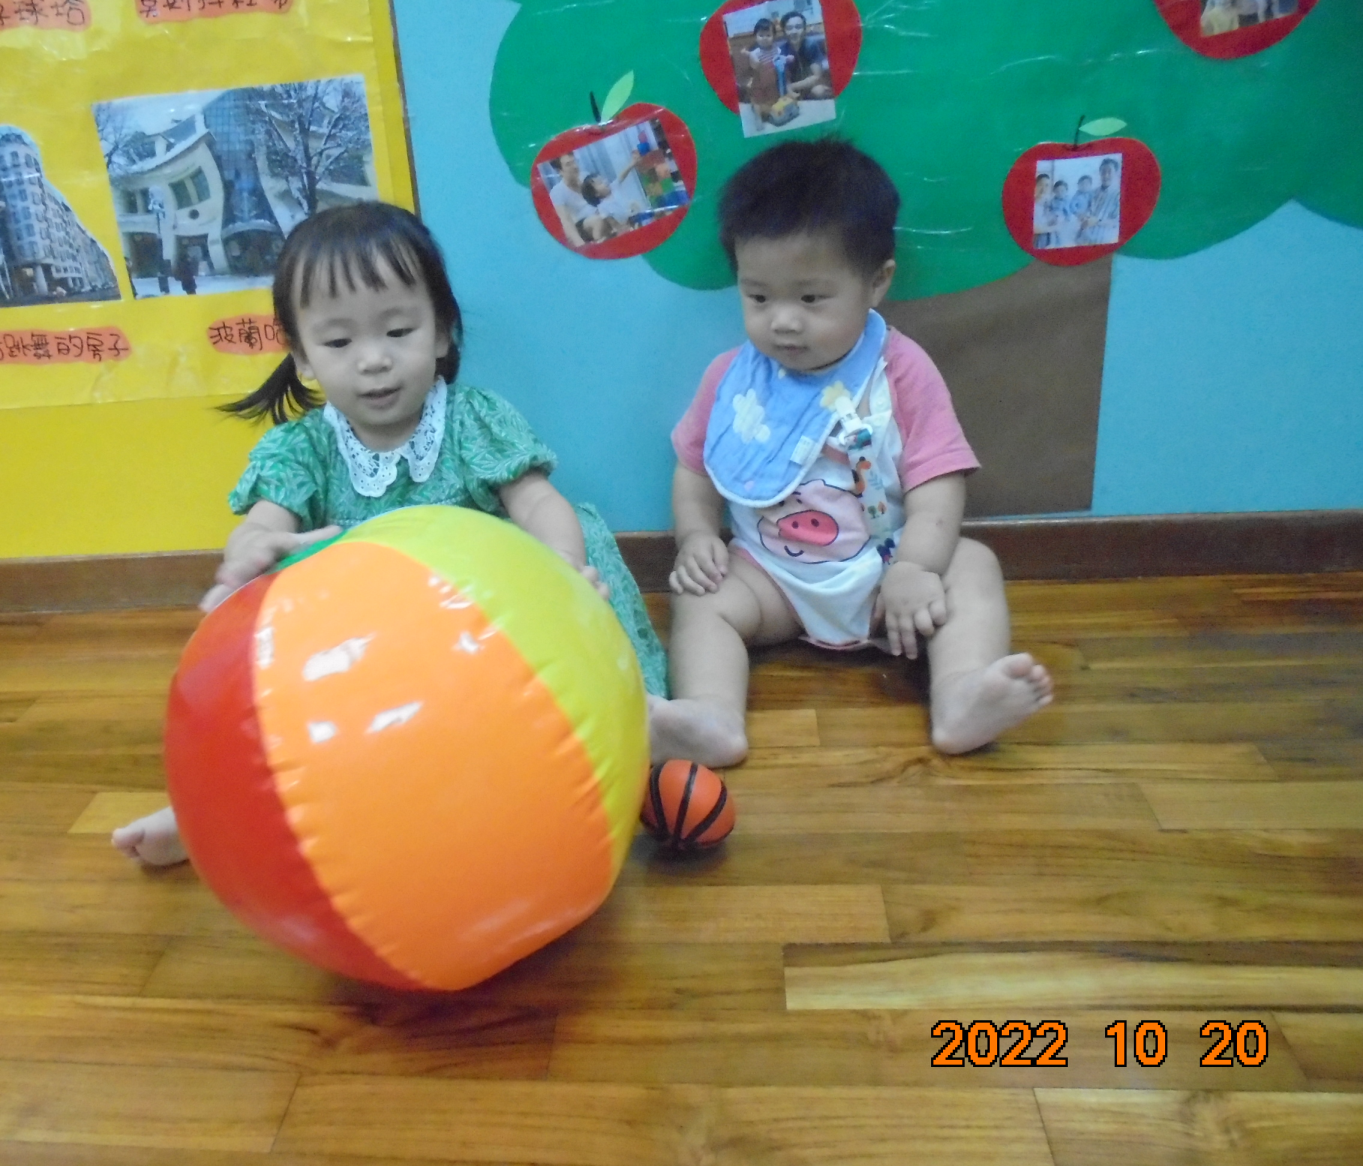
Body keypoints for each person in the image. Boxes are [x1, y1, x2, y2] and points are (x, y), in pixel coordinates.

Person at [114, 201, 669, 865]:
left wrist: (559, 570)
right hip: (369, 657)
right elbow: (264, 523)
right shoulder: (302, 450)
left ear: (441, 333)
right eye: (339, 343)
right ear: (303, 357)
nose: (373, 360)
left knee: (580, 557)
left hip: (488, 636)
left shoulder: (471, 420)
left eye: (398, 330)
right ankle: (214, 811)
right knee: (276, 695)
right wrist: (253, 549)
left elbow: (538, 501)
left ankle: (639, 721)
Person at [649, 139, 1053, 769]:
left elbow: (939, 480)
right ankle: (710, 714)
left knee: (972, 564)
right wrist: (697, 536)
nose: (783, 322)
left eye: (810, 299)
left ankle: (961, 694)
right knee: (699, 596)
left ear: (876, 282)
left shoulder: (901, 372)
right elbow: (695, 468)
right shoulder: (733, 380)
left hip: (886, 578)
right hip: (772, 579)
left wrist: (916, 567)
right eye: (759, 298)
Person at [548, 152, 609, 249]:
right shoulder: (557, 192)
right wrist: (581, 246)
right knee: (597, 220)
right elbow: (565, 221)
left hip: (600, 212)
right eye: (568, 164)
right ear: (559, 171)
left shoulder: (585, 176)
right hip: (582, 224)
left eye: (574, 161)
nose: (575, 166)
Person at [779, 11, 832, 100]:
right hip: (793, 90)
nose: (794, 32)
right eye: (789, 28)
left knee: (818, 91)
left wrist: (792, 86)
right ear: (784, 31)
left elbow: (817, 76)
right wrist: (788, 89)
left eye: (798, 27)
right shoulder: (782, 51)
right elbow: (784, 78)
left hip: (812, 86)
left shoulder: (811, 45)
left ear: (804, 29)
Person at [1075, 158, 1121, 246]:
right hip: (1085, 238)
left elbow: (1117, 221)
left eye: (1109, 172)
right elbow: (1087, 210)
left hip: (1105, 240)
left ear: (1116, 173)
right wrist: (1082, 216)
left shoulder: (1118, 194)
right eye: (1103, 172)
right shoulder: (1093, 192)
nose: (1106, 175)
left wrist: (1097, 221)